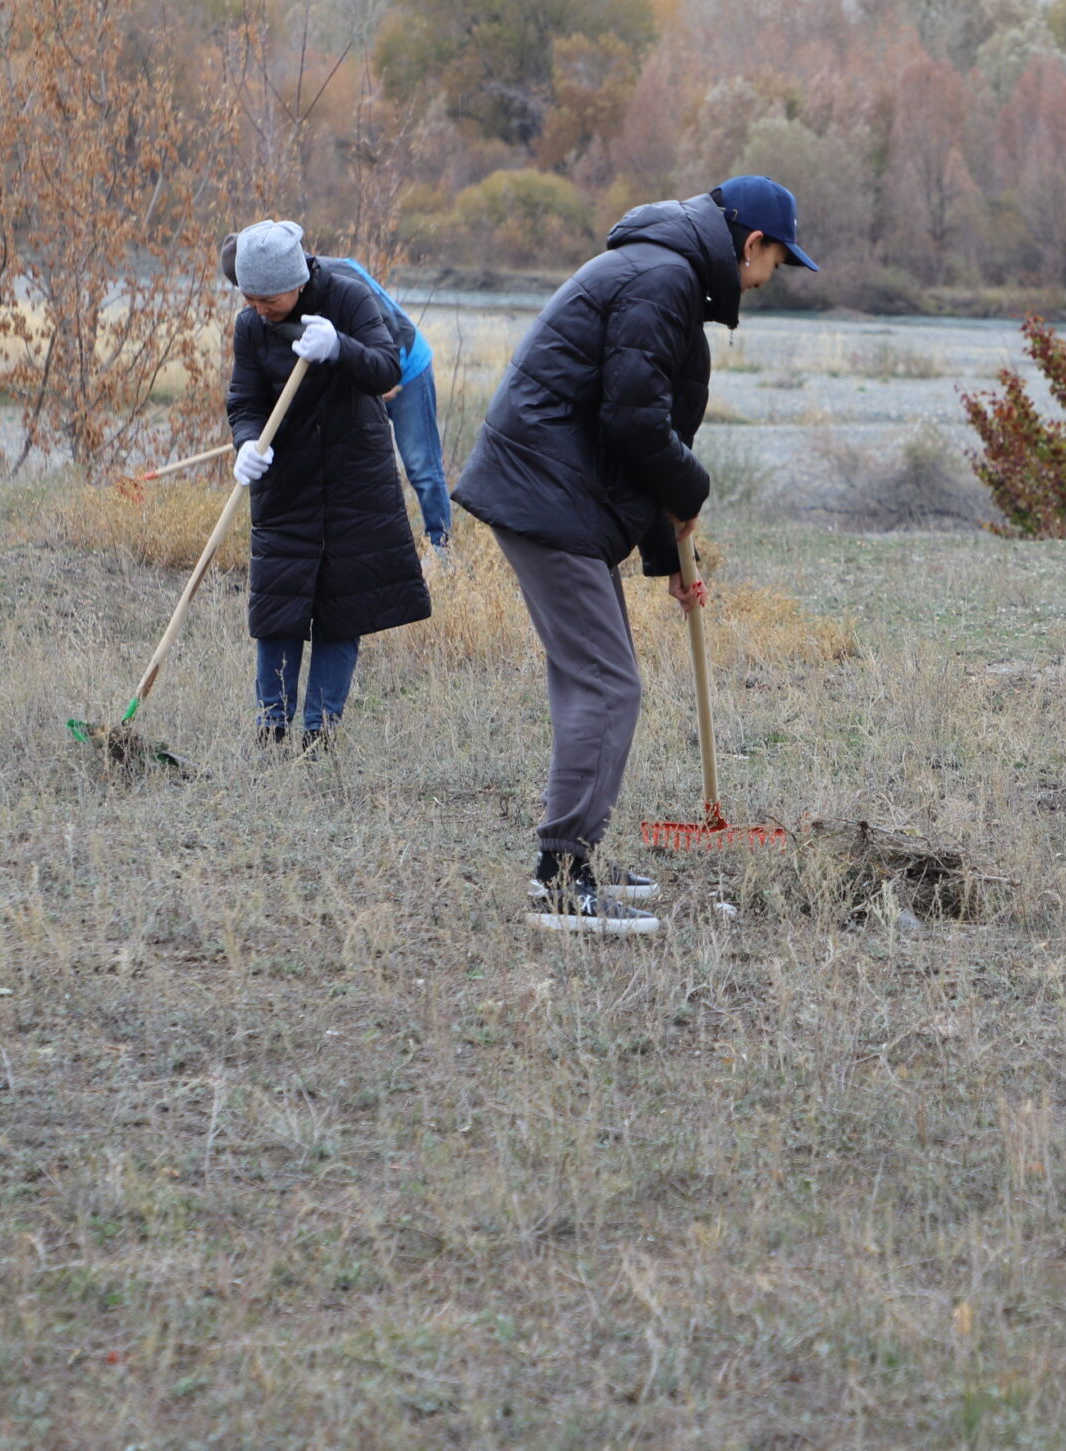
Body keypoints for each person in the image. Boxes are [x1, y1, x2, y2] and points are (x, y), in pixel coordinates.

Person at [453, 175, 815, 933]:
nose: (769, 278)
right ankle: (561, 878)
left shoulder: (663, 271)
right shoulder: (664, 279)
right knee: (608, 684)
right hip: (546, 492)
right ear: (752, 243)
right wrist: (695, 487)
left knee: (594, 677)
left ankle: (571, 856)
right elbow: (634, 423)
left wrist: (669, 558)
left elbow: (643, 435)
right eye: (776, 262)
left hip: (555, 492)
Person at [223, 220, 433, 750]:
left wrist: (340, 346)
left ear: (296, 283)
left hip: (354, 480)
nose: (258, 309)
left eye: (268, 299)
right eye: (249, 298)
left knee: (343, 606)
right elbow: (245, 401)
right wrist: (246, 444)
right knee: (278, 605)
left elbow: (386, 370)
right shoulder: (250, 327)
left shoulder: (349, 299)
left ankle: (320, 736)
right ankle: (272, 729)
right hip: (286, 483)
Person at [326, 256, 452, 553]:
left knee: (421, 465)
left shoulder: (335, 275)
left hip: (406, 370)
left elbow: (386, 321)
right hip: (366, 377)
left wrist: (387, 376)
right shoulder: (287, 298)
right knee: (358, 466)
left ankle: (441, 548)